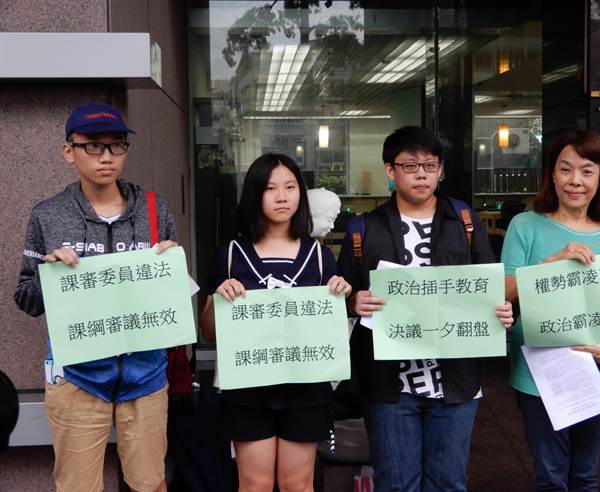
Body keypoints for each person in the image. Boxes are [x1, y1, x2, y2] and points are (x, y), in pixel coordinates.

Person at [337, 126, 514, 492]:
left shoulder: (464, 221)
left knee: (448, 483)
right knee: (396, 483)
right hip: (389, 385)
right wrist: (353, 301)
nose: (421, 174)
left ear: (440, 169)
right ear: (390, 170)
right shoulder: (363, 229)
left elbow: (488, 288)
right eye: (410, 166)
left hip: (455, 380)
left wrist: (503, 311)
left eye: (430, 165)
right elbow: (342, 296)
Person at [14, 103, 178, 492]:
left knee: (151, 483)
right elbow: (26, 298)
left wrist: (173, 268)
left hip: (146, 375)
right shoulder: (48, 215)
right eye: (93, 145)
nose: (106, 156)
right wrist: (50, 275)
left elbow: (171, 300)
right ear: (68, 151)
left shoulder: (154, 210)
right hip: (77, 378)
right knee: (77, 486)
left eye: (116, 145)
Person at [199, 153, 351, 492]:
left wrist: (340, 296)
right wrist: (220, 300)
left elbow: (330, 329)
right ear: (255, 194)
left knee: (297, 484)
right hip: (247, 389)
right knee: (255, 484)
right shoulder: (231, 255)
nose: (282, 197)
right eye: (270, 188)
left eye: (290, 187)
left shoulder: (319, 256)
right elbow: (207, 332)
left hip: (306, 388)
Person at [502, 129, 600, 491]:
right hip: (541, 373)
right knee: (550, 477)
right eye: (565, 169)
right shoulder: (525, 226)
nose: (576, 181)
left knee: (585, 476)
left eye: (587, 171)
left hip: (599, 371)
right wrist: (551, 263)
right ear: (552, 175)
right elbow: (503, 292)